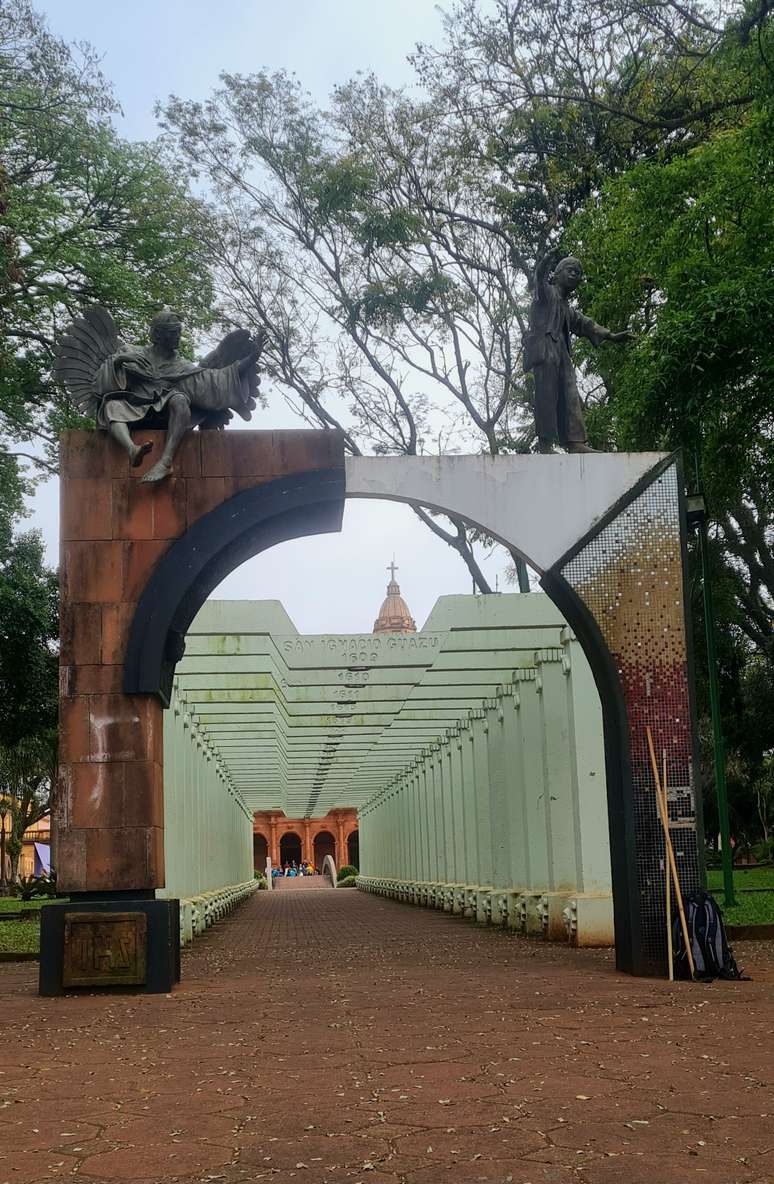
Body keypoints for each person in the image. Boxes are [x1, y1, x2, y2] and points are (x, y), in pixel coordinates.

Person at [94, 310, 263, 482]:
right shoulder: (132, 352)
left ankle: (165, 462)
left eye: (179, 332)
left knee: (180, 400)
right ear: (159, 335)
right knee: (111, 406)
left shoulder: (182, 366)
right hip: (136, 410)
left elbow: (216, 379)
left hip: (167, 415)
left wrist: (251, 359)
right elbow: (102, 387)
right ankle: (132, 449)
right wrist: (120, 360)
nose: (178, 337)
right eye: (174, 333)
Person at [524, 254, 631, 453]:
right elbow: (539, 279)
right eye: (570, 270)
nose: (574, 275)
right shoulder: (547, 293)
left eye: (578, 273)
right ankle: (545, 443)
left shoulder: (566, 307)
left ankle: (574, 442)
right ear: (556, 275)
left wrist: (611, 336)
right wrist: (544, 263)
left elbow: (585, 324)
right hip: (545, 350)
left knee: (569, 393)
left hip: (562, 353)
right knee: (546, 396)